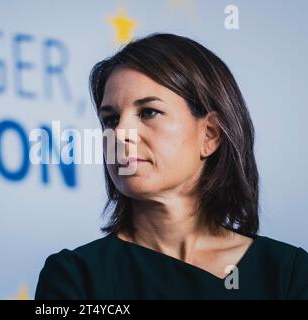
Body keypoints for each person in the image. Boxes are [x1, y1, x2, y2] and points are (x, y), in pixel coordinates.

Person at [35, 33, 308, 299]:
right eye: (111, 119)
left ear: (210, 135)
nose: (119, 134)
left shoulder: (289, 273)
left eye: (148, 112)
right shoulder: (75, 275)